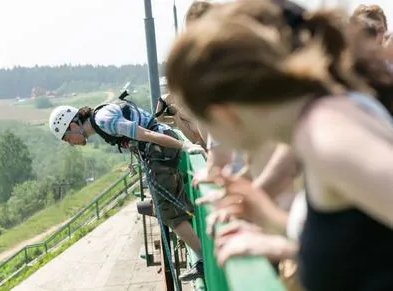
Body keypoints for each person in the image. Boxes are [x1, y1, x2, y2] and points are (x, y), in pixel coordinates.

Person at [165, 1, 393, 290]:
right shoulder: (321, 119)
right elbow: (368, 250)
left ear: (224, 113)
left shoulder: (325, 134)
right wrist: (284, 244)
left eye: (203, 121)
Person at [48, 93, 205, 282]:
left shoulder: (104, 120)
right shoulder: (101, 119)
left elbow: (147, 134)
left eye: (67, 138)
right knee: (170, 207)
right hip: (159, 150)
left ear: (73, 126)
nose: (70, 143)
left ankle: (203, 260)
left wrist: (184, 146)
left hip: (161, 148)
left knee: (168, 211)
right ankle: (203, 248)